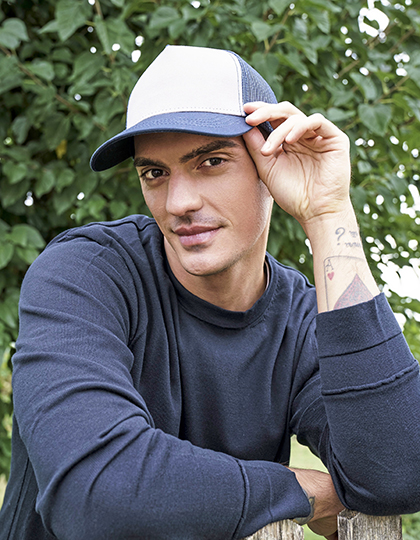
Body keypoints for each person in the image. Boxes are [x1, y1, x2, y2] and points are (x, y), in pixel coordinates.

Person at [1, 44, 419, 540]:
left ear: (271, 160)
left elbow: (398, 472)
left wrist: (328, 214)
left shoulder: (301, 322)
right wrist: (307, 491)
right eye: (155, 173)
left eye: (211, 161)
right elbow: (96, 494)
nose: (178, 202)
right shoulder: (84, 275)